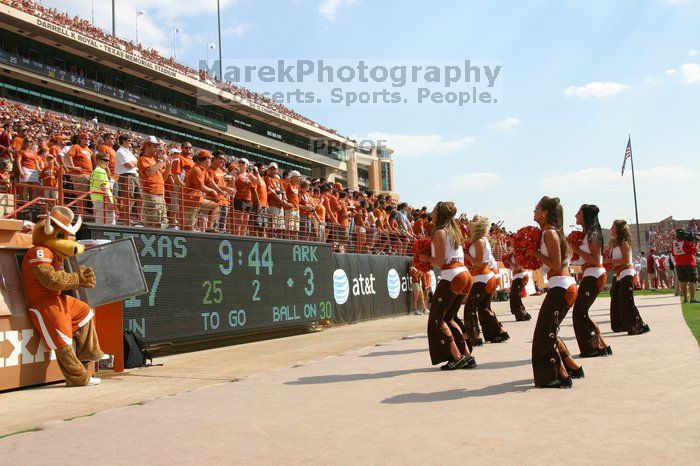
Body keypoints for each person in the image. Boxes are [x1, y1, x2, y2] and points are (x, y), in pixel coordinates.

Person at [527, 196, 583, 388]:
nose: (533, 212)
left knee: (544, 335)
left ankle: (558, 376)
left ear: (545, 213)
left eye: (536, 209)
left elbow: (556, 264)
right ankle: (572, 368)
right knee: (548, 331)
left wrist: (534, 253)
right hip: (560, 285)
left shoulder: (549, 233)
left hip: (561, 286)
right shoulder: (548, 232)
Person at [418, 201, 476, 370]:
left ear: (440, 214)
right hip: (464, 273)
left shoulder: (440, 232)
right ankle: (467, 355)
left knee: (437, 319)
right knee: (449, 318)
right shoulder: (454, 231)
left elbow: (439, 261)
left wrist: (425, 258)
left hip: (452, 275)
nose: (432, 213)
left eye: (434, 211)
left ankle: (457, 357)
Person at [569, 205, 611, 357]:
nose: (575, 215)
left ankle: (593, 346)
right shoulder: (587, 234)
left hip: (594, 275)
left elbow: (595, 260)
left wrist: (576, 249)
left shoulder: (593, 235)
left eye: (579, 213)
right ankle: (600, 344)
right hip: (589, 275)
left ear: (586, 216)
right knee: (581, 312)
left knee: (579, 313)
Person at [463, 215, 510, 345]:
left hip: (483, 278)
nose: (470, 224)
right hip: (485, 277)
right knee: (483, 308)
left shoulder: (479, 241)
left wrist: (466, 255)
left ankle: (474, 337)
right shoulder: (481, 240)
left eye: (473, 222)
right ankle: (497, 333)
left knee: (470, 308)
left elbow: (478, 263)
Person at [604, 220, 651, 335]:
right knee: (615, 300)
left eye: (613, 227)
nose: (611, 229)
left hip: (626, 273)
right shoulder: (613, 243)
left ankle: (638, 326)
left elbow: (625, 260)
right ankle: (620, 325)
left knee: (626, 300)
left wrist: (609, 261)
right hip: (617, 274)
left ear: (619, 229)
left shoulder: (624, 242)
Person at [137, 136, 171, 228]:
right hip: (151, 193)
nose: (157, 149)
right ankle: (148, 241)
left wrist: (168, 165)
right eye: (155, 146)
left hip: (159, 193)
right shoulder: (143, 159)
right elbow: (150, 172)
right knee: (151, 221)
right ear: (148, 146)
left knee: (158, 222)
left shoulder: (154, 160)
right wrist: (160, 161)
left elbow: (163, 178)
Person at [114, 135, 141, 224]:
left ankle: (137, 218)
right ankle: (126, 219)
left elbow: (135, 163)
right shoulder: (120, 152)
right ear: (123, 141)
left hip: (134, 175)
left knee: (139, 196)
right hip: (126, 175)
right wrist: (135, 163)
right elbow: (128, 165)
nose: (131, 142)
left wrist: (134, 164)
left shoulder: (129, 152)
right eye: (129, 140)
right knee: (128, 197)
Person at [503, 253, 531, 321]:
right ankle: (523, 314)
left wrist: (508, 261)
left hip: (520, 276)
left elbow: (517, 267)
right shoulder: (512, 254)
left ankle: (522, 314)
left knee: (515, 297)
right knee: (514, 296)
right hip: (518, 276)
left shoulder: (516, 254)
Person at [89, 153, 116, 225]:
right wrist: (109, 202)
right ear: (98, 161)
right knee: (110, 225)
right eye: (105, 160)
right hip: (103, 202)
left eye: (108, 160)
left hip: (98, 202)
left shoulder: (95, 171)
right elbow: (103, 188)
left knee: (100, 226)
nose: (108, 162)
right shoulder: (101, 171)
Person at [672, 230, 698, 303]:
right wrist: (697, 242)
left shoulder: (674, 243)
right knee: (691, 281)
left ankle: (685, 299)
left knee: (682, 281)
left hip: (679, 264)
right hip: (689, 263)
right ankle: (692, 298)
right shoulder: (687, 242)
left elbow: (673, 254)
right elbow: (694, 250)